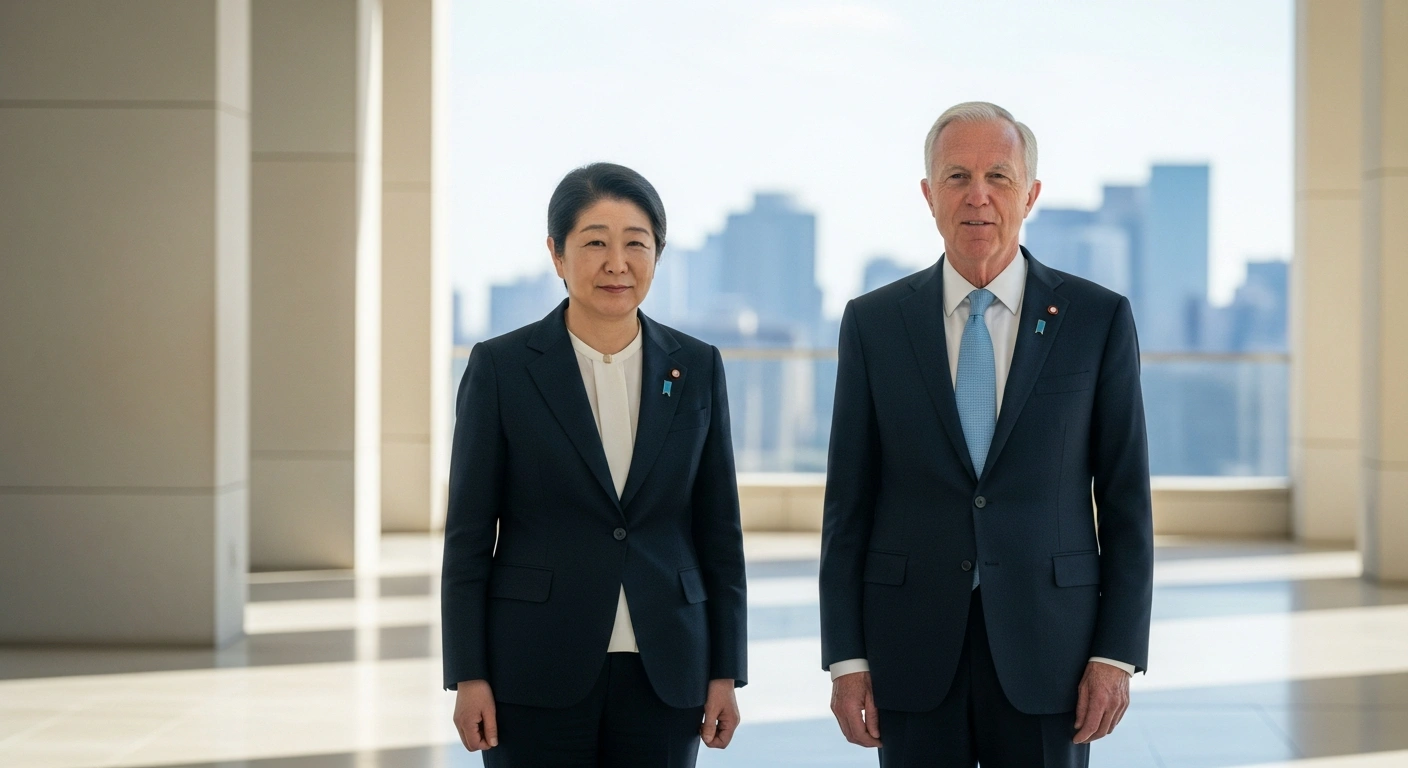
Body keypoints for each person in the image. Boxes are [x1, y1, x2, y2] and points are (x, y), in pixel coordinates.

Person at [819, 102, 1154, 767]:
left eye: (998, 176)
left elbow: (1125, 504)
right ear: (928, 195)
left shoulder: (1096, 319)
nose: (978, 196)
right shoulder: (874, 324)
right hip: (909, 648)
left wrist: (1114, 654)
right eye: (956, 176)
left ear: (1030, 194)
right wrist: (847, 660)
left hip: (1051, 650)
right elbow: (847, 506)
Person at [441, 162, 747, 766]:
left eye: (637, 243)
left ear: (658, 254)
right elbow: (469, 535)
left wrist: (724, 670)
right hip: (532, 666)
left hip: (667, 666)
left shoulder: (697, 366)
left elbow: (719, 532)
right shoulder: (502, 368)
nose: (617, 263)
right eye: (595, 243)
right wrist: (468, 673)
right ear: (557, 254)